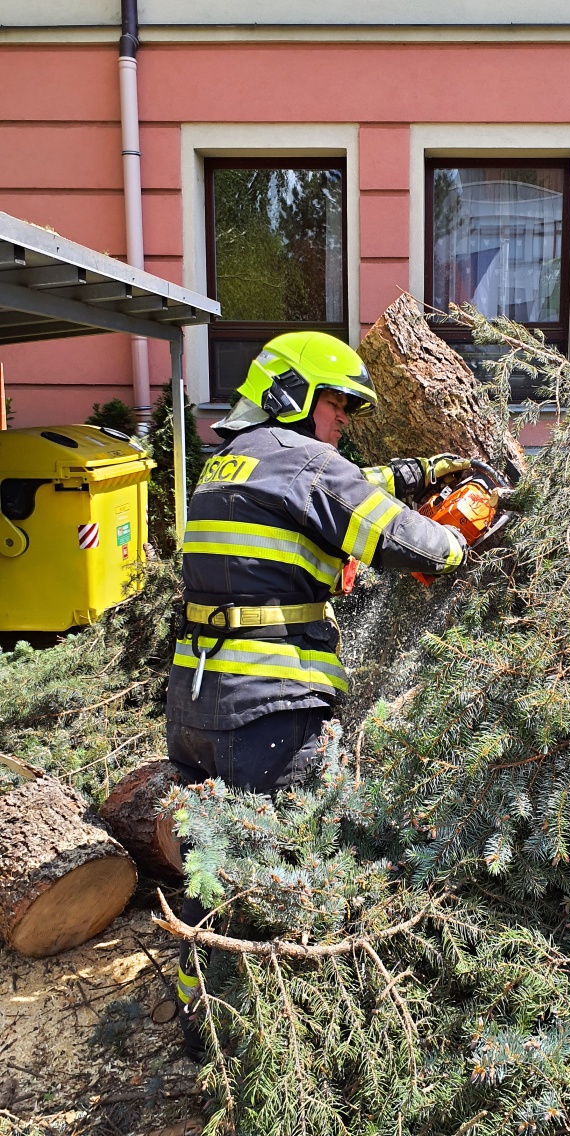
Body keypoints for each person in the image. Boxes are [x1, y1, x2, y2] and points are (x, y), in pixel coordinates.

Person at [166, 329, 471, 1058]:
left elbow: (328, 486)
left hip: (198, 707)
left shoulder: (229, 463)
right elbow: (407, 543)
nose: (340, 421)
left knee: (210, 867)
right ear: (293, 397)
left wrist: (411, 471)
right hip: (268, 711)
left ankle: (199, 1027)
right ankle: (285, 1044)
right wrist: (464, 533)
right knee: (287, 873)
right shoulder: (306, 462)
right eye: (334, 404)